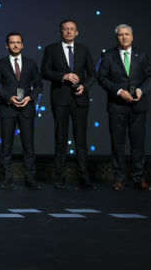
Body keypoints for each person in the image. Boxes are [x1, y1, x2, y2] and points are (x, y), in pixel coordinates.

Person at [97, 24, 151, 191]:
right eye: (120, 35)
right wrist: (118, 91)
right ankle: (119, 178)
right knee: (117, 144)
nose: (124, 37)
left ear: (132, 36)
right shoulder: (108, 55)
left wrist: (140, 90)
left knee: (138, 144)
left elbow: (150, 77)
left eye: (127, 34)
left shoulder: (142, 54)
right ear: (116, 37)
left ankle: (139, 178)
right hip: (117, 106)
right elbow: (101, 77)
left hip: (138, 105)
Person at [41, 19, 98, 189]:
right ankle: (60, 176)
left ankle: (84, 177)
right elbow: (44, 71)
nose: (68, 32)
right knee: (61, 139)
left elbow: (93, 74)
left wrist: (84, 86)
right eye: (65, 29)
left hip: (80, 99)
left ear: (76, 32)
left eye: (71, 29)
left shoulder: (83, 49)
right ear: (60, 32)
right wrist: (63, 76)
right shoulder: (51, 49)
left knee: (81, 140)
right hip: (60, 99)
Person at [0, 32, 43, 190]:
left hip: (27, 108)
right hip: (8, 108)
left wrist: (30, 97)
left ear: (22, 45)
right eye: (12, 43)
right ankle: (7, 178)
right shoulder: (0, 64)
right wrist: (9, 98)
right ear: (7, 45)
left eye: (18, 42)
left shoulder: (31, 63)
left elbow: (39, 85)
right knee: (6, 146)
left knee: (29, 146)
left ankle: (30, 178)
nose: (15, 45)